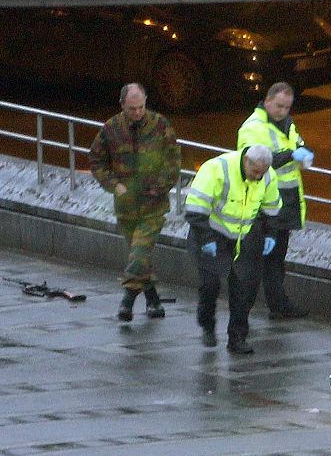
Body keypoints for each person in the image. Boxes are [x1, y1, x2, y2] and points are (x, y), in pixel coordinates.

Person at [89, 82, 181, 322]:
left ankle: (127, 301)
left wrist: (159, 186)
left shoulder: (161, 126)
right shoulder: (111, 129)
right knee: (138, 256)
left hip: (153, 205)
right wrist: (114, 185)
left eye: (141, 107)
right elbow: (96, 161)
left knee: (139, 251)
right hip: (126, 207)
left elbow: (173, 163)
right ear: (122, 105)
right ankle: (153, 300)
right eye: (132, 109)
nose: (138, 112)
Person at [185, 145, 282, 354]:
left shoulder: (268, 176)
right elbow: (195, 209)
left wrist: (271, 234)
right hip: (210, 233)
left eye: (262, 172)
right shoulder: (216, 169)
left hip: (241, 237)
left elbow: (272, 208)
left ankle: (237, 338)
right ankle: (206, 322)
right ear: (246, 160)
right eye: (255, 172)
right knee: (210, 285)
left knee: (243, 289)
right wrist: (206, 239)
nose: (258, 177)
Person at [237, 82, 313, 319]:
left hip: (284, 202)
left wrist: (303, 150)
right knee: (254, 262)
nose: (283, 111)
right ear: (267, 101)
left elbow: (297, 143)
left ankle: (278, 304)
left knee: (276, 259)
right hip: (260, 203)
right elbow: (254, 162)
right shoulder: (252, 128)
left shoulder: (287, 124)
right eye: (279, 106)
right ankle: (242, 311)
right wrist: (292, 154)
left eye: (287, 107)